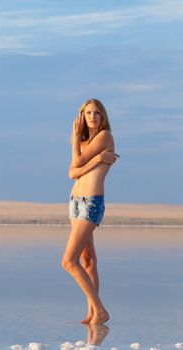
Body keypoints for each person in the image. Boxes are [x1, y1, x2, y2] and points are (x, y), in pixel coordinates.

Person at [62, 99, 118, 325]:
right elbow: (72, 173)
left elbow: (77, 162)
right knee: (88, 260)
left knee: (68, 261)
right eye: (87, 113)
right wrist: (96, 159)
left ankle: (100, 309)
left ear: (102, 116)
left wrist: (76, 139)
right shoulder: (84, 141)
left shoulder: (105, 136)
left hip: (91, 203)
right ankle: (93, 313)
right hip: (75, 202)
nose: (92, 117)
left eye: (96, 113)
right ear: (81, 117)